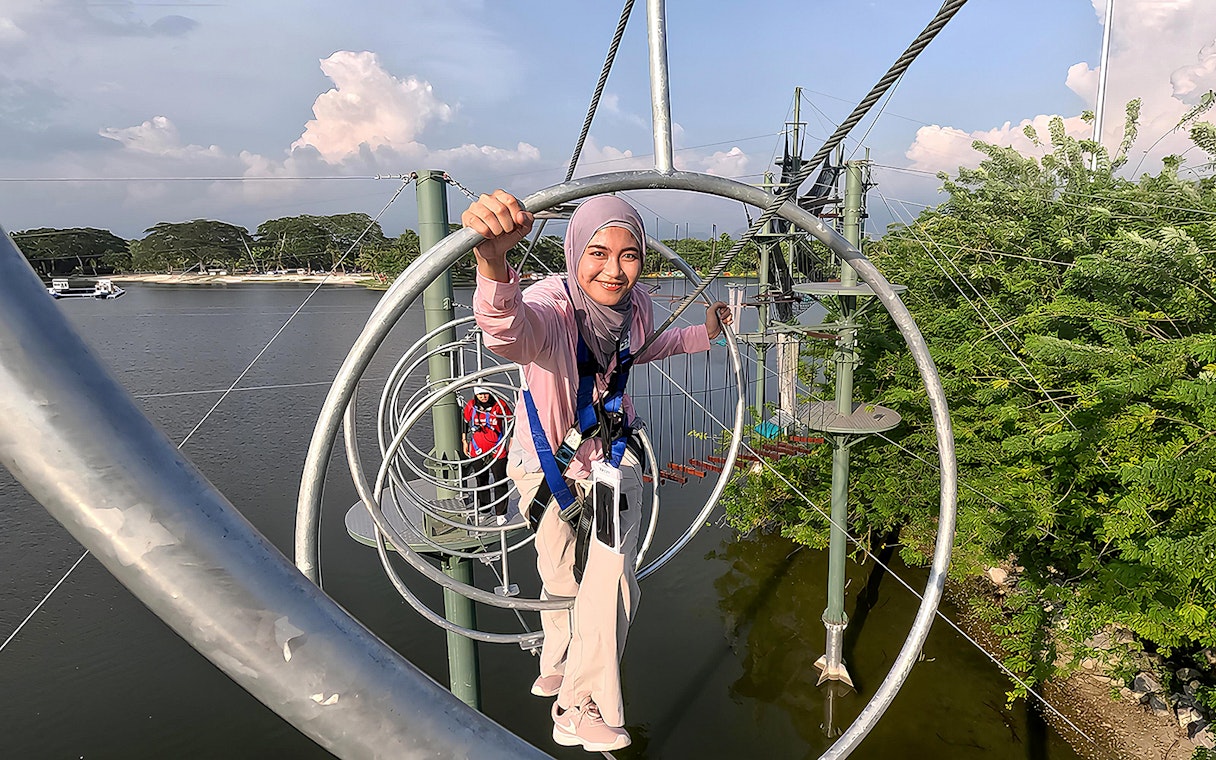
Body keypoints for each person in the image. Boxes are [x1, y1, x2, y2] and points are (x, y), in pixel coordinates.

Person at [464, 189, 732, 753]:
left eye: (628, 254)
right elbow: (508, 330)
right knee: (559, 573)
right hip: (544, 463)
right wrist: (492, 263)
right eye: (597, 252)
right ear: (571, 252)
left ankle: (582, 705)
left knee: (610, 581)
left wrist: (704, 332)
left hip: (610, 459)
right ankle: (558, 661)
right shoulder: (551, 306)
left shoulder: (637, 310)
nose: (614, 269)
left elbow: (646, 349)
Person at [461, 385, 513, 525]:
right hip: (478, 449)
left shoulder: (499, 405)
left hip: (497, 448)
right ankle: (485, 509)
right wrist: (464, 441)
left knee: (500, 480)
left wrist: (511, 440)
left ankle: (501, 513)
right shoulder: (471, 406)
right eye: (480, 394)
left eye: (485, 393)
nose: (483, 397)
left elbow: (511, 421)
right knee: (481, 480)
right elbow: (465, 422)